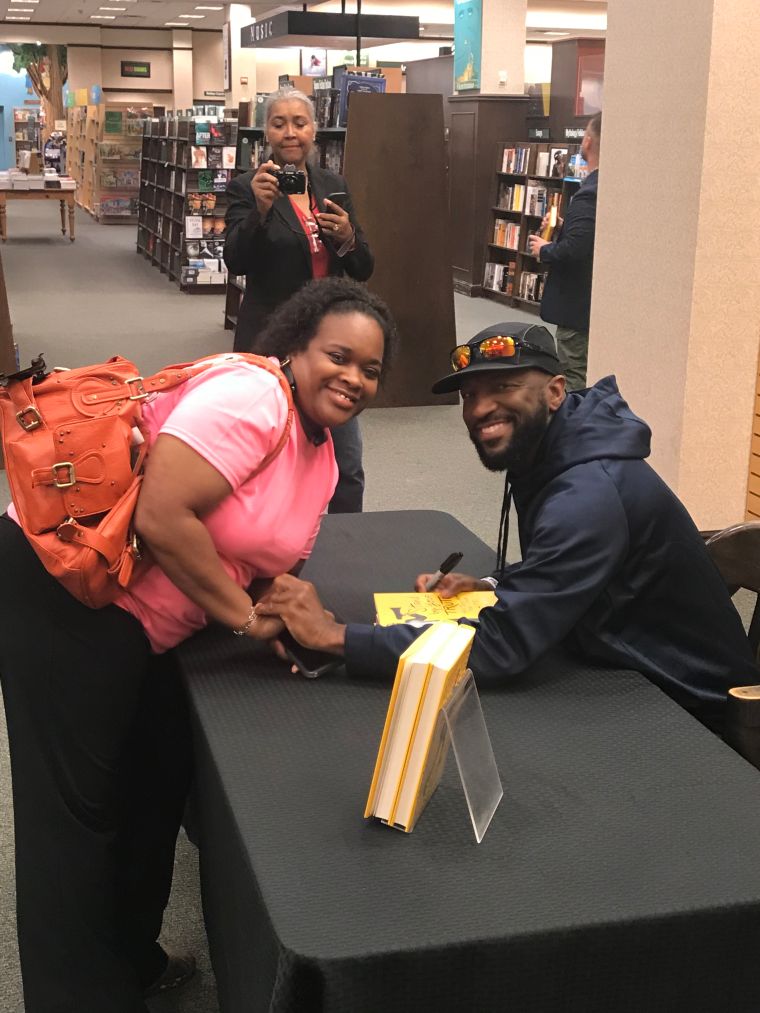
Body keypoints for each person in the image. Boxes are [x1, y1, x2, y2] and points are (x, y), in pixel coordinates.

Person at [0, 277, 397, 1013]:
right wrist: (245, 620)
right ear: (297, 347)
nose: (353, 378)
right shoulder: (255, 397)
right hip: (69, 595)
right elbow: (161, 515)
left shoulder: (326, 456)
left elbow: (272, 563)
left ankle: (132, 958)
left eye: (370, 370)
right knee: (75, 817)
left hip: (151, 627)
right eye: (338, 356)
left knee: (152, 788)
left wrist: (298, 616)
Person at [255, 321, 757, 736]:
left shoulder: (588, 495)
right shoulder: (555, 447)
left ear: (556, 391)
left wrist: (338, 637)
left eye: (503, 387)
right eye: (470, 395)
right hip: (612, 655)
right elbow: (567, 567)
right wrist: (494, 586)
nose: (478, 409)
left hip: (692, 711)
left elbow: (501, 647)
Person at [224, 87, 374, 514]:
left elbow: (363, 266)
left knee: (347, 465)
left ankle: (346, 543)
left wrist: (346, 238)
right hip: (273, 343)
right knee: (270, 459)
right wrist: (260, 211)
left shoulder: (333, 185)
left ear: (315, 131)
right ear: (266, 133)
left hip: (332, 343)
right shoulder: (244, 187)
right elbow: (236, 259)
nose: (290, 132)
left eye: (300, 123)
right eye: (279, 123)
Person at [528, 114, 601, 391]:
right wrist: (562, 226)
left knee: (573, 374)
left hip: (576, 305)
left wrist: (545, 249)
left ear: (587, 141)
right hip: (589, 303)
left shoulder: (589, 193)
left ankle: (575, 430)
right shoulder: (610, 187)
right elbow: (594, 239)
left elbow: (576, 250)